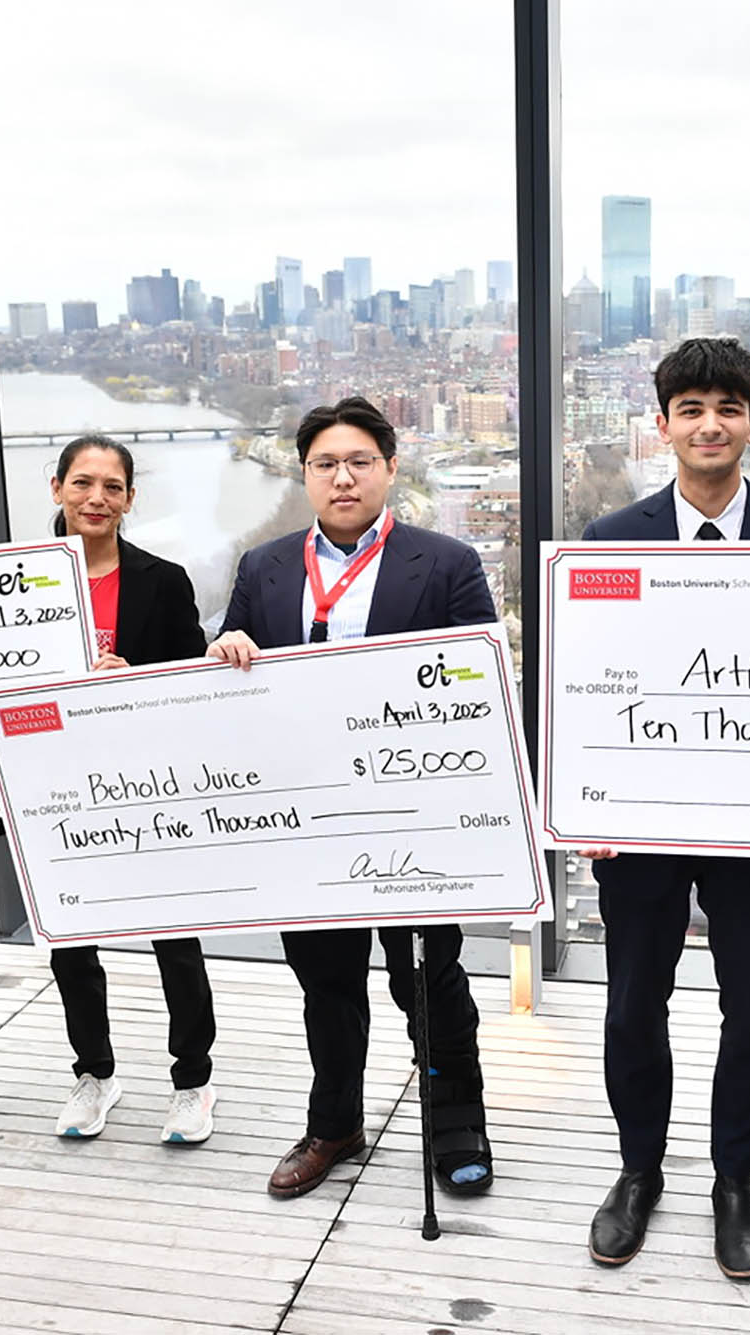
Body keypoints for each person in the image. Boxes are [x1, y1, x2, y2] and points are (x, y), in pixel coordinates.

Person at [576, 337, 750, 1282]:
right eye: (690, 408)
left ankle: (737, 1178)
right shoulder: (606, 544)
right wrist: (584, 803)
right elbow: (583, 688)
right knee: (631, 1006)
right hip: (640, 826)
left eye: (727, 407)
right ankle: (639, 1169)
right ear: (664, 425)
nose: (709, 424)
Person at [207, 395, 499, 1200]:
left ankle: (455, 1121)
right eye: (326, 463)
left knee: (428, 980)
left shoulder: (446, 563)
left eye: (360, 461)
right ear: (304, 475)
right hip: (307, 821)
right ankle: (333, 1120)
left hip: (411, 816)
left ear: (390, 469)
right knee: (327, 981)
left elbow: (479, 681)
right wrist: (225, 649)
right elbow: (234, 683)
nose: (343, 477)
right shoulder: (263, 569)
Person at [39, 434, 221, 1145]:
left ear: (130, 499)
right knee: (71, 945)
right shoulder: (13, 582)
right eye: (82, 483)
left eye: (112, 487)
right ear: (55, 488)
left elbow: (186, 689)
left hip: (147, 785)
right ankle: (95, 1073)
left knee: (176, 942)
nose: (96, 499)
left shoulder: (163, 579)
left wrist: (132, 679)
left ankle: (192, 1082)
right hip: (53, 789)